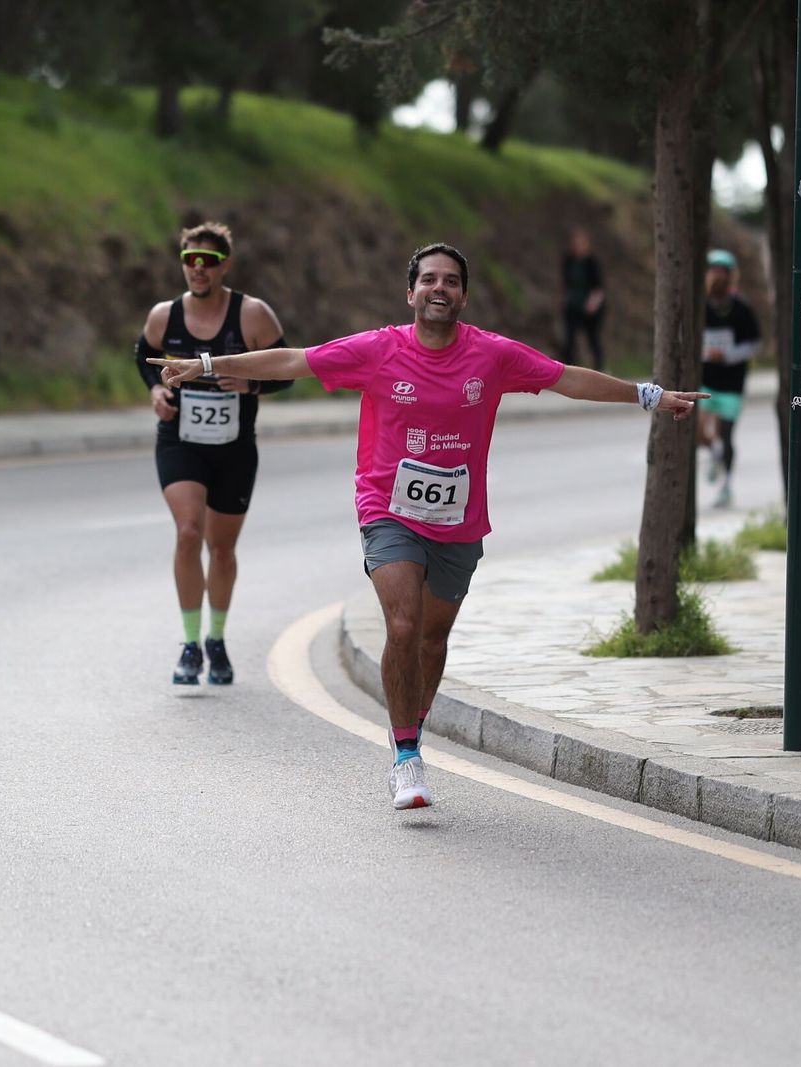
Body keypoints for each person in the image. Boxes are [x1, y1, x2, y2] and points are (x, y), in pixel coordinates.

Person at [152, 243, 701, 809]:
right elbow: (293, 361)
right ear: (410, 292)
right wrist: (207, 366)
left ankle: (410, 724)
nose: (441, 288)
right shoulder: (377, 349)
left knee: (433, 639)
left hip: (459, 520)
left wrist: (648, 395)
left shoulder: (493, 355)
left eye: (452, 281)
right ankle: (407, 757)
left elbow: (568, 379)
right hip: (387, 509)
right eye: (430, 279)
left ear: (463, 296)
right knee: (403, 623)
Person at [133, 221, 292, 688]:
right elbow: (144, 357)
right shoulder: (164, 316)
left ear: (225, 266)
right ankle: (189, 644)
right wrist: (155, 392)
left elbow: (286, 369)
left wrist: (252, 385)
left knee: (221, 550)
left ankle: (216, 639)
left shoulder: (252, 315)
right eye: (190, 260)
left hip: (234, 448)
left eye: (208, 261)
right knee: (188, 533)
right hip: (180, 441)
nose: (198, 269)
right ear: (182, 263)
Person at [696, 249, 760, 510]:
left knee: (726, 433)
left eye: (721, 271)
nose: (716, 276)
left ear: (730, 276)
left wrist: (728, 355)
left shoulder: (741, 309)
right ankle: (715, 453)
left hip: (732, 383)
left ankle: (727, 485)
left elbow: (754, 343)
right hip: (706, 380)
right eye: (712, 270)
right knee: (697, 430)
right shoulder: (699, 306)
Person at [559, 227, 606, 371]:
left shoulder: (592, 262)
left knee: (593, 338)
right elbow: (565, 283)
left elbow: (598, 287)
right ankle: (568, 368)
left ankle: (600, 367)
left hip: (590, 304)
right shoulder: (568, 260)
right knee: (569, 338)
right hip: (573, 304)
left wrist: (593, 303)